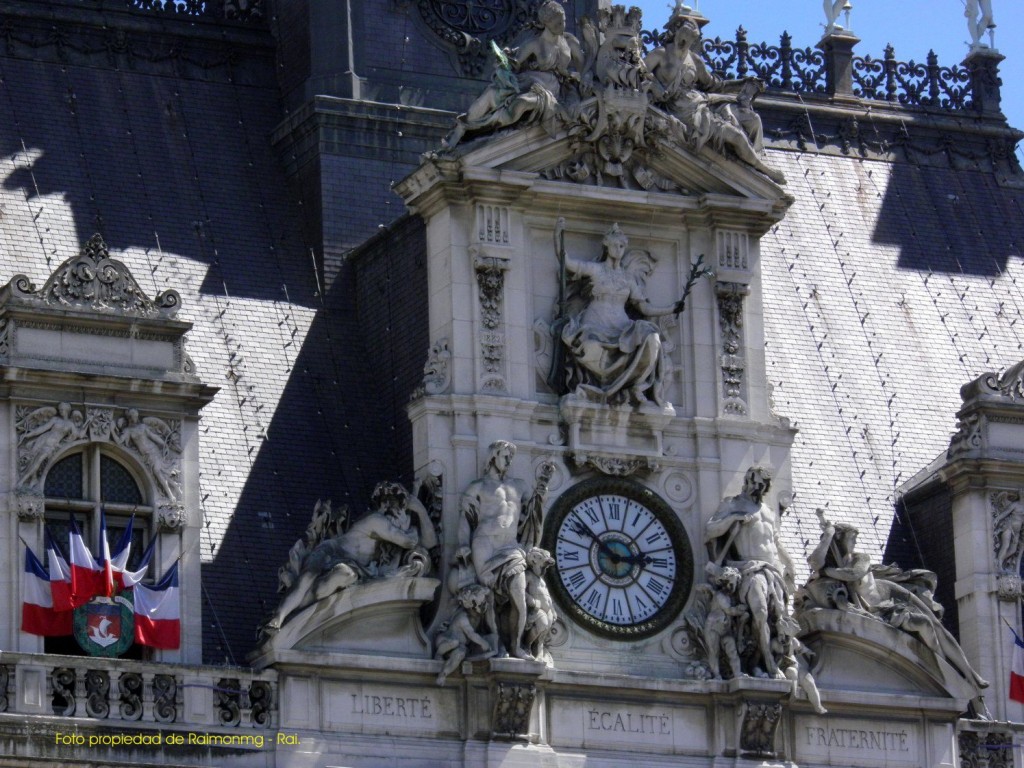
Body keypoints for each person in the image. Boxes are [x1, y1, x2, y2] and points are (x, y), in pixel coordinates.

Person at [802, 510, 989, 694]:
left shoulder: (860, 558)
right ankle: (943, 666)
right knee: (925, 625)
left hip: (890, 596)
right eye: (852, 538)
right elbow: (815, 562)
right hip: (877, 608)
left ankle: (968, 673)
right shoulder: (832, 561)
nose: (855, 542)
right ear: (839, 539)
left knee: (935, 626)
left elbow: (853, 574)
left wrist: (825, 572)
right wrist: (828, 535)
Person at [263, 481, 437, 634]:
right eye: (389, 503)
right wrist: (411, 523)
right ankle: (278, 618)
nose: (392, 509)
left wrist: (421, 512)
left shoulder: (395, 533)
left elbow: (430, 542)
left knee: (341, 577)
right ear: (383, 505)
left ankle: (294, 614)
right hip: (332, 551)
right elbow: (408, 541)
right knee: (307, 578)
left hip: (351, 566)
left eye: (397, 504)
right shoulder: (376, 520)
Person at [644, 17, 785, 185]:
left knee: (743, 129)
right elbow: (638, 74)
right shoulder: (660, 54)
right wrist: (654, 86)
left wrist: (741, 83)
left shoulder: (694, 61)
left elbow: (715, 85)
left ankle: (762, 170)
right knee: (736, 136)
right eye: (683, 35)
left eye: (690, 39)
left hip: (701, 105)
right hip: (681, 112)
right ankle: (763, 170)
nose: (685, 42)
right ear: (676, 33)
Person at [558, 224, 684, 408]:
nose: (619, 249)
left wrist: (671, 308)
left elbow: (645, 308)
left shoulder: (628, 278)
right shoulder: (595, 269)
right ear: (606, 246)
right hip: (596, 323)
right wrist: (558, 239)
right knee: (590, 346)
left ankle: (637, 386)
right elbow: (569, 263)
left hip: (621, 326)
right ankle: (605, 387)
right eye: (615, 245)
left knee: (651, 336)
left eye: (622, 246)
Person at [458, 441, 553, 659]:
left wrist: (541, 493)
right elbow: (465, 519)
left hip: (511, 547)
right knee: (489, 599)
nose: (509, 461)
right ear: (493, 457)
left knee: (519, 596)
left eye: (511, 457)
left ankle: (516, 646)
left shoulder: (519, 486)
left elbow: (532, 512)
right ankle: (496, 645)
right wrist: (463, 544)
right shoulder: (477, 487)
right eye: (505, 456)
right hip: (484, 544)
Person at [443, 1, 583, 148]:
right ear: (546, 23)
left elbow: (583, 65)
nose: (562, 26)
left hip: (551, 88)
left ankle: (480, 127)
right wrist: (504, 60)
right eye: (557, 24)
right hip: (530, 83)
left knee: (519, 104)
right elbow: (514, 63)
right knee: (492, 94)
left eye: (563, 21)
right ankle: (465, 126)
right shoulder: (534, 43)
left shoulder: (570, 41)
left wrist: (585, 77)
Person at [705, 467, 795, 678]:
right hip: (749, 569)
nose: (757, 487)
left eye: (762, 485)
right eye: (754, 482)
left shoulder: (768, 511)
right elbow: (710, 531)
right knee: (760, 612)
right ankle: (771, 666)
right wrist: (733, 518)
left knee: (775, 618)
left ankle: (757, 662)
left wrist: (790, 564)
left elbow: (775, 542)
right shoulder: (733, 504)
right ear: (746, 481)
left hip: (772, 570)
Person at [434, 584, 495, 685]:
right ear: (471, 606)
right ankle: (438, 654)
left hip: (460, 646)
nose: (484, 606)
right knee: (454, 643)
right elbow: (471, 634)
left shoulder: (477, 617)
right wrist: (483, 643)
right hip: (445, 640)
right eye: (481, 604)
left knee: (460, 654)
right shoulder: (462, 618)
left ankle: (444, 673)